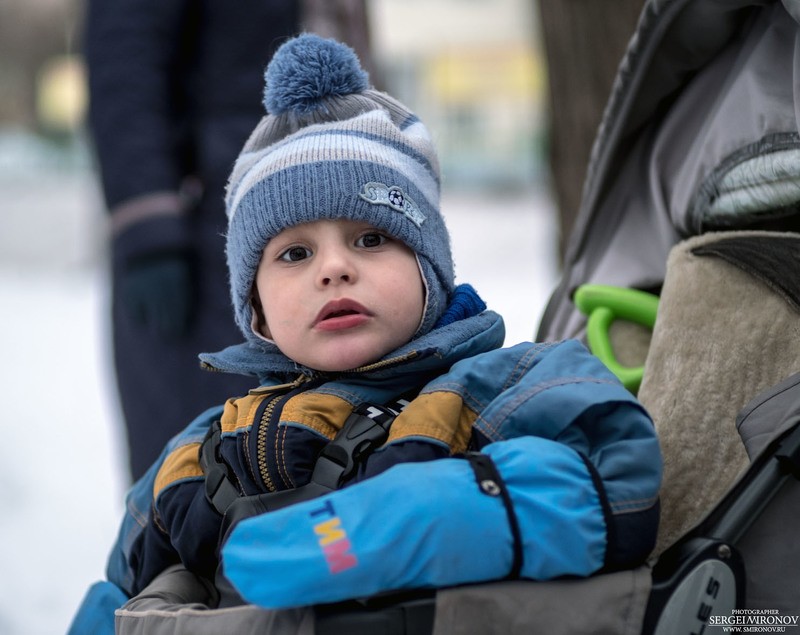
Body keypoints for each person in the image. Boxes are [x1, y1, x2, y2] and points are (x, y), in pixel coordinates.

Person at [72, 34, 662, 627]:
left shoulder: (504, 388)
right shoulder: (202, 453)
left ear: (429, 271)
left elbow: (619, 476)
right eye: (295, 254)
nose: (334, 268)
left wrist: (407, 520)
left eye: (371, 239)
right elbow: (120, 584)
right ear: (257, 308)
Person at [83, 0, 304, 480]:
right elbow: (125, 53)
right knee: (198, 469)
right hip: (202, 231)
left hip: (300, 211)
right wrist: (148, 226)